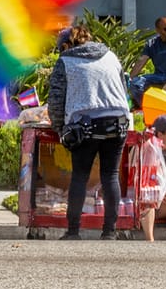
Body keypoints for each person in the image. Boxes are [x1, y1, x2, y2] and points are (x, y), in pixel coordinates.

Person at [47, 24, 128, 240]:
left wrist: (60, 129)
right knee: (110, 175)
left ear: (66, 45)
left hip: (85, 124)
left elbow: (56, 101)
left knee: (80, 176)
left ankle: (73, 231)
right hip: (118, 121)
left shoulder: (65, 61)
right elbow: (123, 88)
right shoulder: (110, 56)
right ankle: (109, 232)